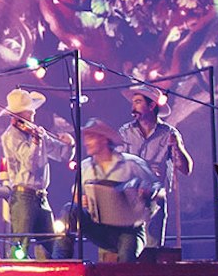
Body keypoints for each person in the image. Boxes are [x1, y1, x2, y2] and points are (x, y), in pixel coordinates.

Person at [58, 119, 160, 263]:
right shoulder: (85, 167)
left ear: (104, 139)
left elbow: (158, 189)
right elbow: (76, 195)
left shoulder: (132, 164)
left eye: (90, 137)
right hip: (100, 228)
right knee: (70, 209)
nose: (86, 142)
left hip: (129, 230)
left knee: (125, 262)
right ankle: (61, 262)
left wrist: (148, 193)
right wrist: (81, 199)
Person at [0, 88, 74, 259]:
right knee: (20, 246)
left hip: (41, 196)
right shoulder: (10, 136)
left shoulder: (37, 132)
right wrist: (35, 142)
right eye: (29, 110)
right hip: (23, 195)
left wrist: (70, 144)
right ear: (19, 114)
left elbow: (62, 155)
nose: (33, 113)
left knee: (52, 243)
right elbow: (30, 163)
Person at [118, 84, 193, 249]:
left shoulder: (168, 133)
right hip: (130, 200)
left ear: (151, 105)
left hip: (155, 200)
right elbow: (118, 165)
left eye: (138, 102)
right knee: (128, 250)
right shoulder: (125, 132)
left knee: (152, 251)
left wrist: (177, 147)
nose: (133, 107)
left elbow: (186, 169)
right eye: (133, 102)